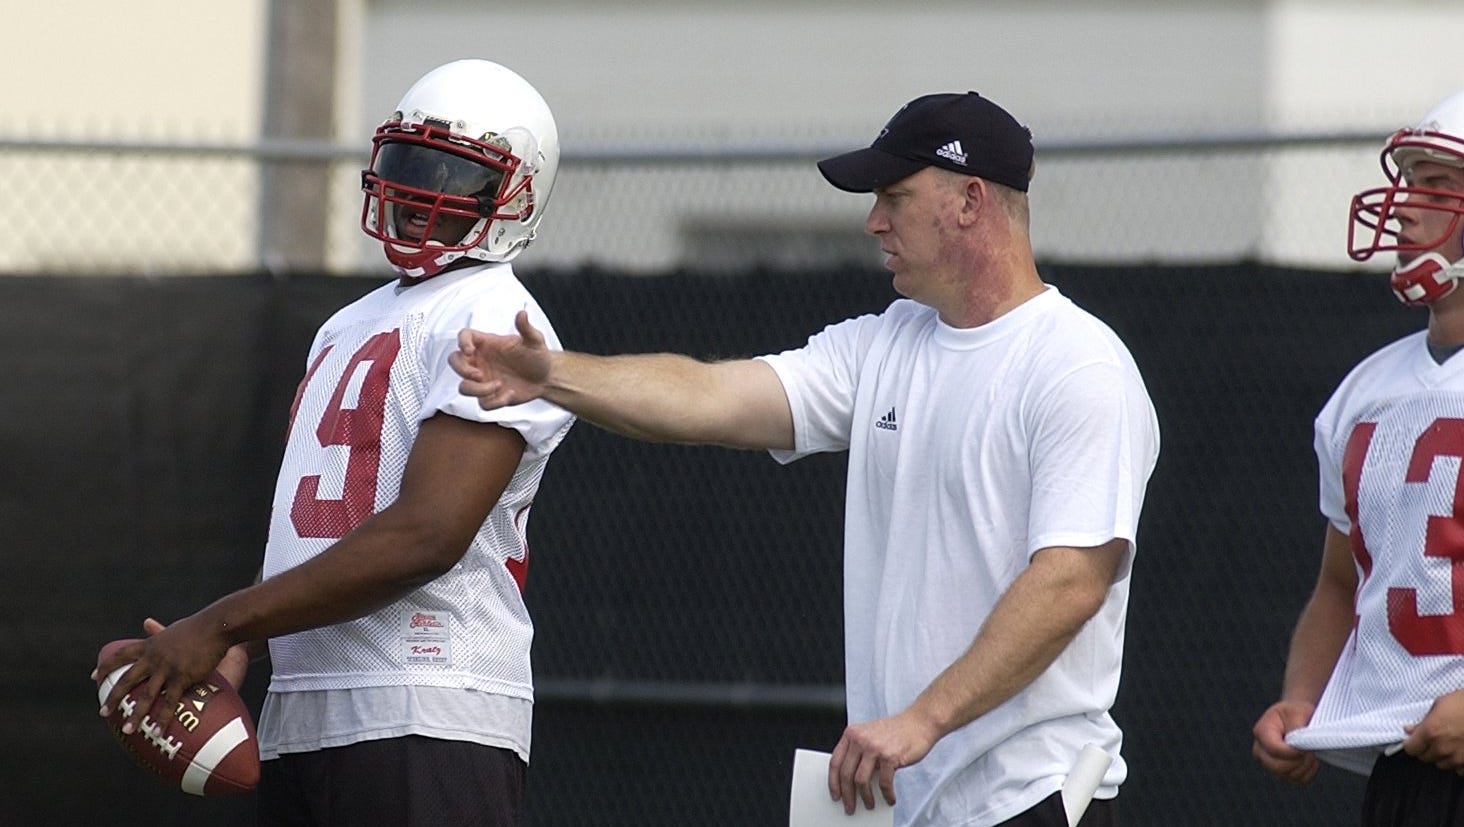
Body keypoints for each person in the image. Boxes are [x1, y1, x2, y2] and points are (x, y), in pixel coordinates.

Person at [450, 91, 1160, 827]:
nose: (873, 220)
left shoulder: (1079, 367)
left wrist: (922, 719)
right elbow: (713, 397)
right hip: (901, 801)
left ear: (970, 201)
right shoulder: (889, 340)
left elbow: (1071, 581)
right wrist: (554, 375)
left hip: (1033, 800)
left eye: (895, 196)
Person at [92, 59, 574, 827]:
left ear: (516, 192)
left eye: (455, 175)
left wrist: (221, 622)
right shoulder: (346, 321)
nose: (421, 194)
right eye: (411, 166)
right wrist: (243, 647)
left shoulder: (498, 317)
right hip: (306, 706)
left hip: (428, 704)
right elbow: (314, 522)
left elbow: (427, 534)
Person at [1251, 89, 1464, 821]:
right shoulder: (1364, 392)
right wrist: (1303, 696)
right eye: (1407, 180)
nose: (1404, 205)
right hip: (1402, 765)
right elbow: (1339, 583)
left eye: (1437, 185)